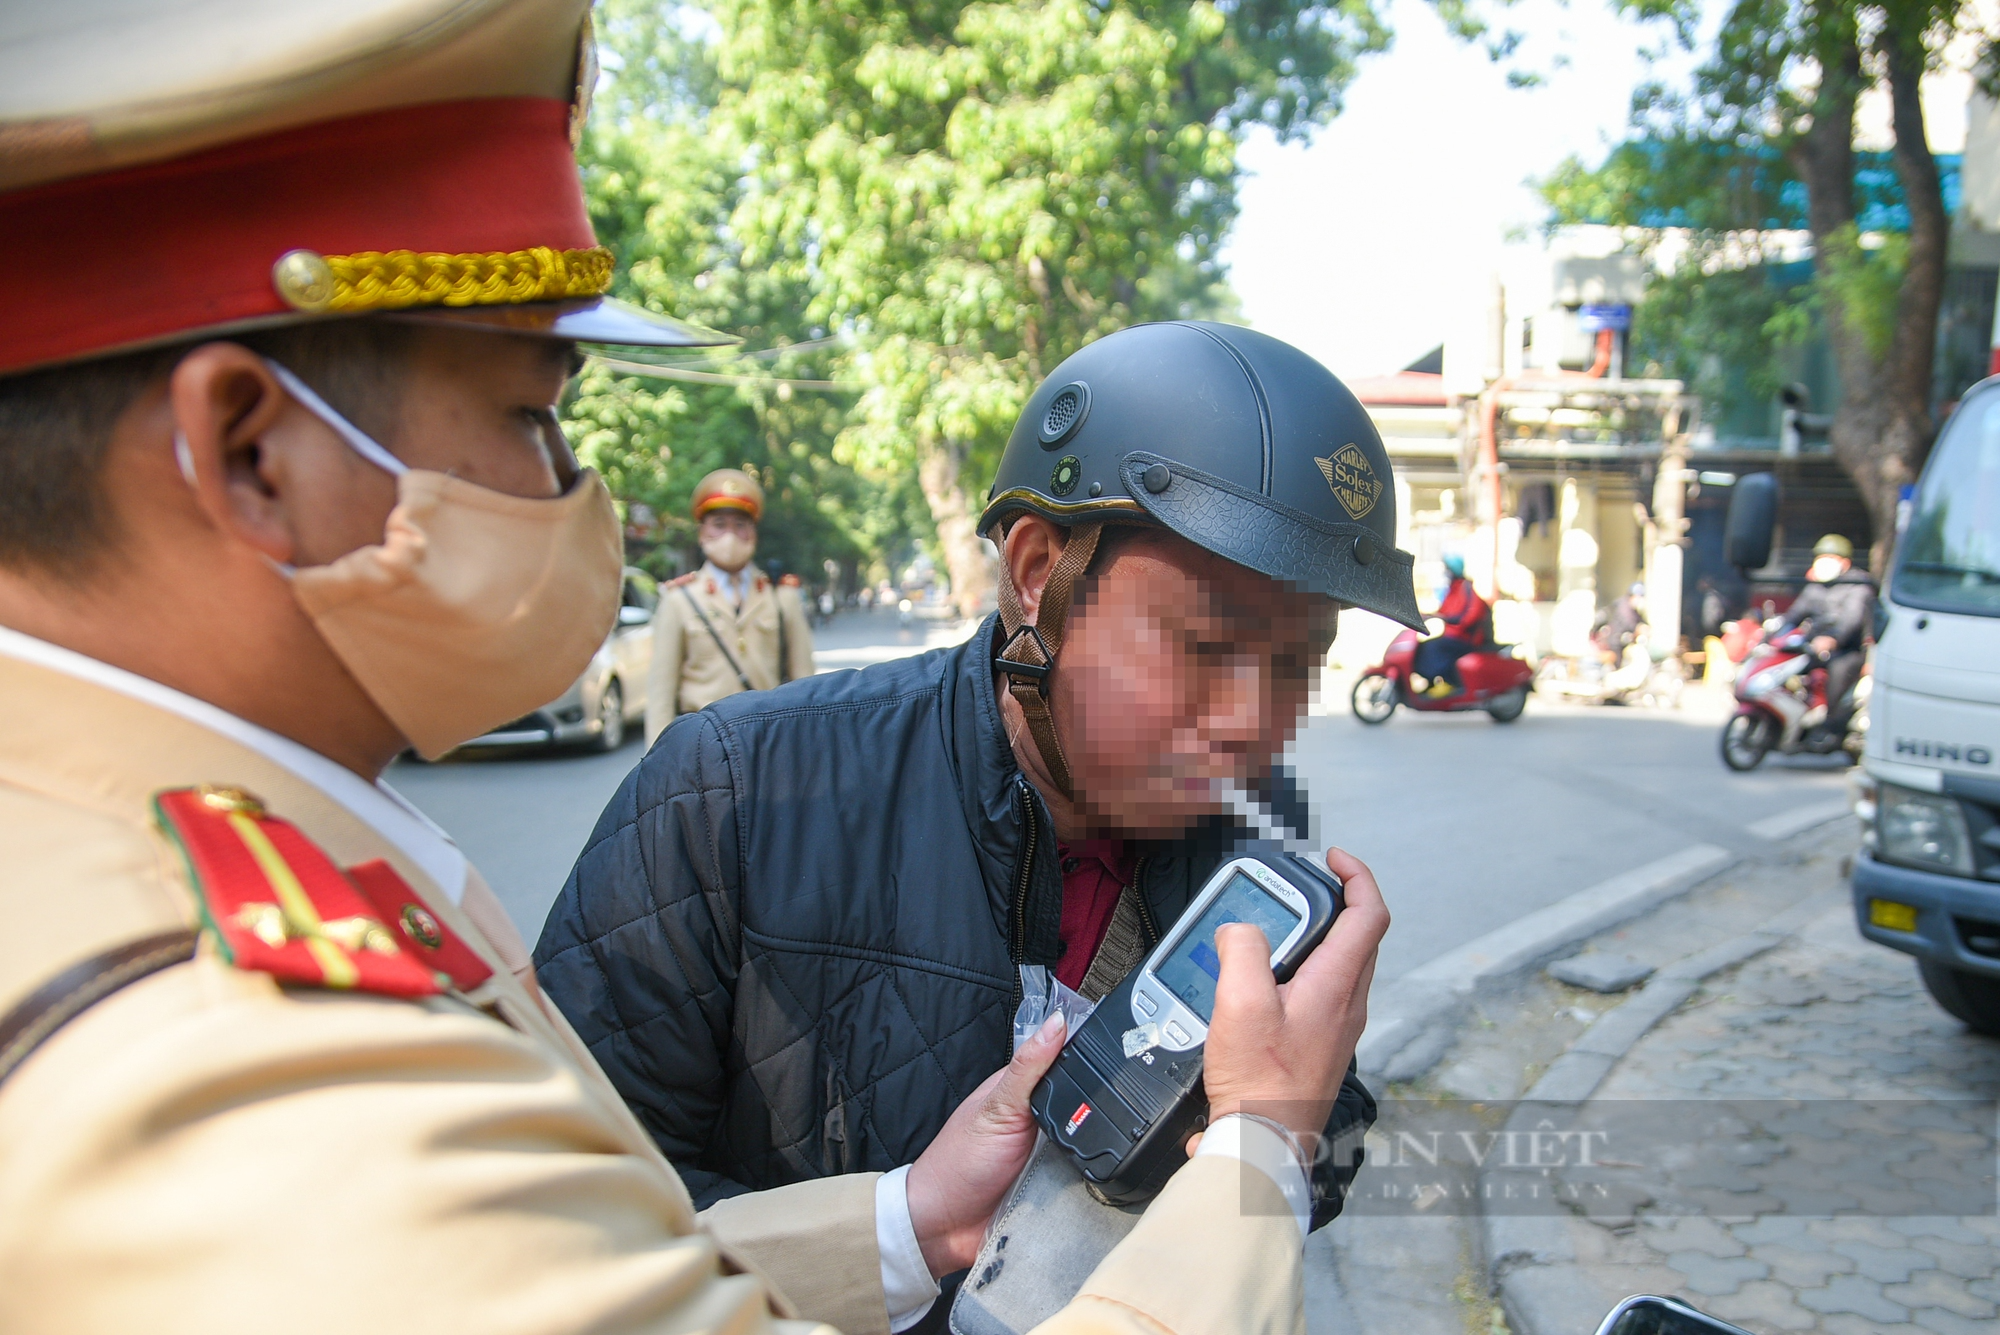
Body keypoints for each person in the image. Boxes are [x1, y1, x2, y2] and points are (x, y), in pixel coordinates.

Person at [0, 6, 1390, 1335]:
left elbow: (601, 1251)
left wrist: (920, 1218)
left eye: (1299, 663)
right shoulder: (236, 1065)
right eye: (531, 416)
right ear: (252, 450)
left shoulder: (209, 863)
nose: (573, 490)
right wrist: (1254, 1143)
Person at [534, 321, 1428, 1326]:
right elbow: (553, 1235)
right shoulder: (735, 793)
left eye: (1297, 668)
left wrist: (1274, 1128)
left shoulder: (1254, 831)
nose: (1253, 728)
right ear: (1039, 569)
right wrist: (901, 1228)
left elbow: (1326, 1137)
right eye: (1206, 648)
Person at [645, 468, 815, 744]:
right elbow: (661, 694)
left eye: (740, 525)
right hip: (700, 747)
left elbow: (804, 683)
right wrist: (658, 764)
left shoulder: (782, 596)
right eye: (719, 524)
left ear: (753, 532)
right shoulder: (679, 600)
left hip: (767, 743)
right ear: (702, 532)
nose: (730, 535)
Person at [1775, 534, 1877, 732]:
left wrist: (1833, 639)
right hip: (1813, 647)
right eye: (1821, 558)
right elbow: (1794, 615)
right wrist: (1772, 635)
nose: (1823, 563)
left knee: (1838, 672)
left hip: (1849, 650)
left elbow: (1852, 619)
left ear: (1845, 562)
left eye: (1830, 558)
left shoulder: (1858, 586)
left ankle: (1831, 725)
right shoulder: (1816, 587)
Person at [1413, 553, 1491, 695]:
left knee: (1433, 648)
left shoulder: (1466, 589)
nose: (1446, 573)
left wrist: (1453, 620)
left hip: (1465, 638)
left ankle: (1450, 682)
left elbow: (1470, 615)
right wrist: (1426, 615)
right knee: (1423, 646)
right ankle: (1433, 682)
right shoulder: (1454, 589)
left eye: (1448, 570)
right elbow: (1444, 610)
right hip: (1453, 635)